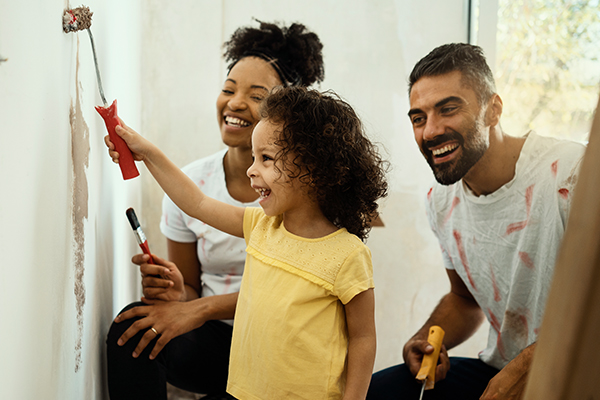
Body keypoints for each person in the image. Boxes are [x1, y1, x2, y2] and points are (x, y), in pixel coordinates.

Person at [106, 86, 388, 399]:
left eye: (266, 159)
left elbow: (363, 339)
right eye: (254, 157)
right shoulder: (260, 226)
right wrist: (147, 154)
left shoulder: (348, 255)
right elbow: (197, 203)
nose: (252, 170)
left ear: (313, 169)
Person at [106, 20, 324, 400]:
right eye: (228, 90)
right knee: (134, 328)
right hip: (217, 341)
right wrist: (179, 294)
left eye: (257, 96)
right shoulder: (191, 184)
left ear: (288, 110)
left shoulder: (304, 191)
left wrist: (199, 309)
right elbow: (190, 284)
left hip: (282, 346)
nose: (235, 103)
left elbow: (294, 291)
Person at [367, 43, 586, 400]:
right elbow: (465, 299)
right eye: (418, 118)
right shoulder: (441, 201)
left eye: (448, 109)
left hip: (581, 377)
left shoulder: (570, 173)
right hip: (503, 370)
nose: (430, 131)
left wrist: (526, 369)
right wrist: (425, 336)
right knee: (382, 392)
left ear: (493, 110)